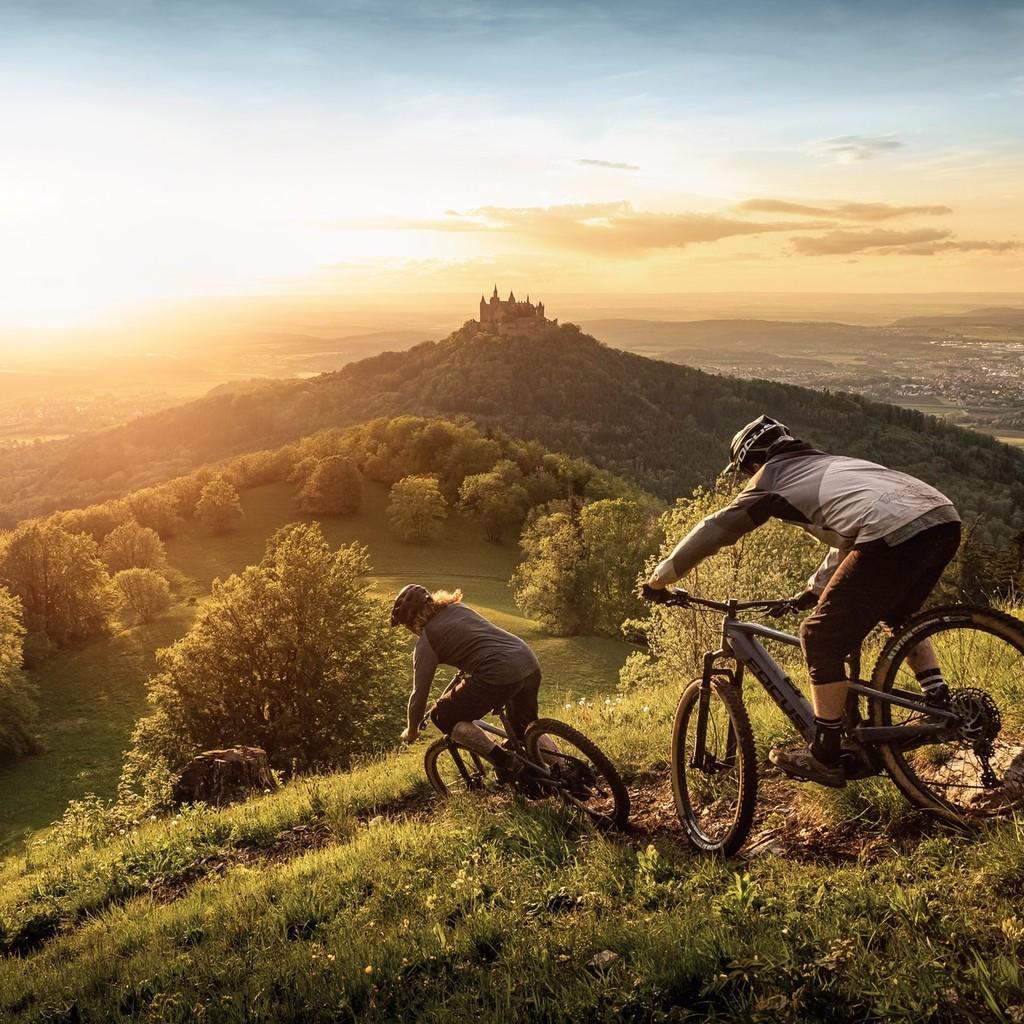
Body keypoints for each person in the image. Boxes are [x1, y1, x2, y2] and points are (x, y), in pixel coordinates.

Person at [644, 414, 961, 788]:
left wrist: (659, 579)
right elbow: (850, 534)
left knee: (819, 636)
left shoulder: (770, 479)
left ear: (752, 463)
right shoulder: (828, 464)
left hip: (891, 530)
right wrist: (813, 590)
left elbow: (716, 529)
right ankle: (939, 702)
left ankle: (826, 751)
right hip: (942, 519)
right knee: (899, 616)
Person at [391, 584, 543, 781]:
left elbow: (419, 695)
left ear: (412, 622)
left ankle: (506, 763)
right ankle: (566, 769)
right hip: (527, 659)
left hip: (498, 672)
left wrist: (411, 731)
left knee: (442, 716)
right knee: (526, 727)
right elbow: (479, 641)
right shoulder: (458, 608)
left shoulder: (427, 640)